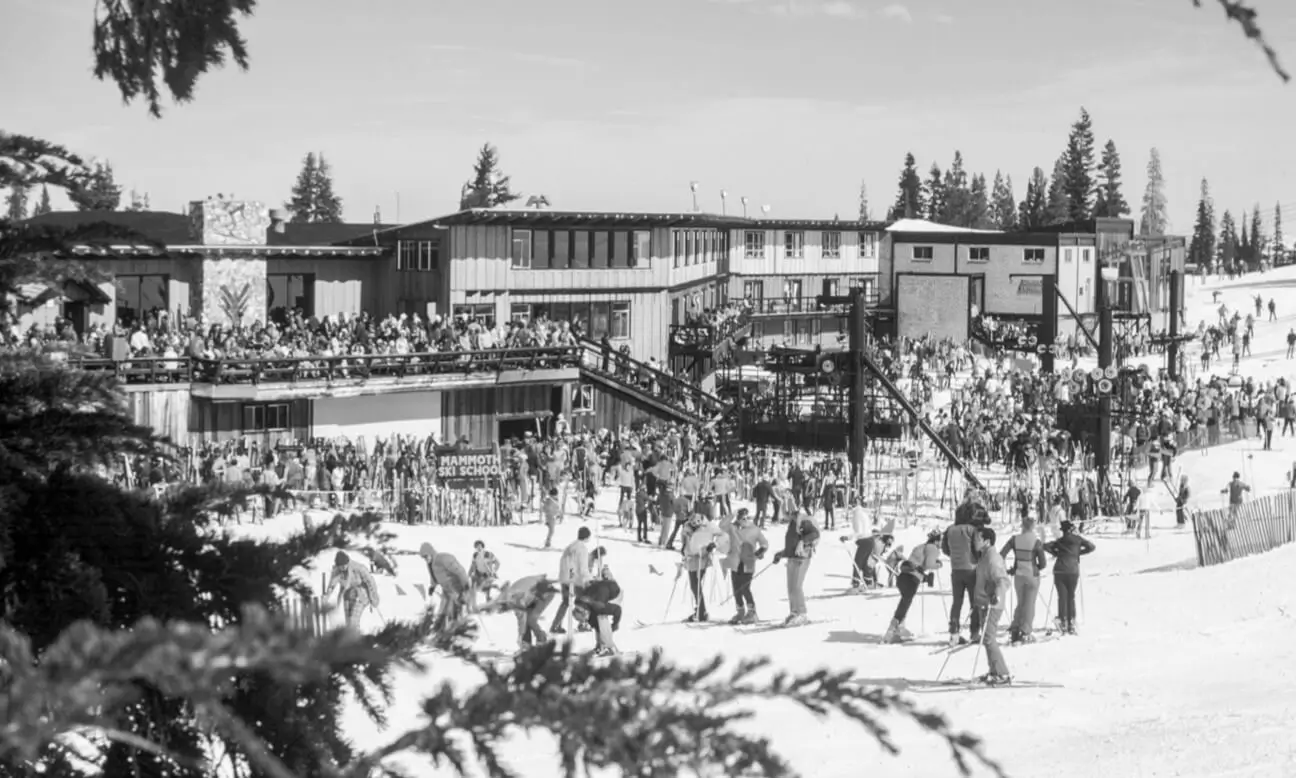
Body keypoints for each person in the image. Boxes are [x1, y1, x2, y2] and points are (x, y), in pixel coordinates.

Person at [883, 529, 943, 644]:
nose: (942, 544)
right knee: (905, 604)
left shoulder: (921, 546)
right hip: (912, 578)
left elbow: (917, 562)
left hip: (902, 576)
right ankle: (892, 632)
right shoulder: (933, 548)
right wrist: (938, 564)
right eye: (941, 541)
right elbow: (929, 564)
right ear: (936, 541)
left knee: (905, 602)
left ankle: (900, 628)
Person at [971, 526, 1012, 686]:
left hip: (993, 604)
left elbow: (1003, 580)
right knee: (987, 638)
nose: (974, 541)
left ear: (987, 541)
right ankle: (994, 671)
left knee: (988, 638)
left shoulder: (992, 558)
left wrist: (996, 594)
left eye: (978, 539)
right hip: (983, 602)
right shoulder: (984, 556)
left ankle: (1002, 673)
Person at [770, 500, 821, 626]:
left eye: (785, 512)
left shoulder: (803, 521)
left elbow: (815, 533)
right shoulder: (793, 523)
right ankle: (794, 612)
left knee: (797, 587)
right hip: (792, 558)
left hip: (802, 558)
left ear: (790, 511)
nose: (784, 515)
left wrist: (802, 541)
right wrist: (781, 554)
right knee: (791, 588)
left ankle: (802, 613)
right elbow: (792, 544)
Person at [1000, 517, 1047, 644]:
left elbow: (1002, 554)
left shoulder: (1015, 539)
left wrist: (1007, 569)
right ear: (1033, 527)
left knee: (1021, 603)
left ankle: (1015, 627)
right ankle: (1025, 631)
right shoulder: (1036, 542)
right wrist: (1035, 567)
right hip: (1032, 576)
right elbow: (1043, 564)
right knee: (1029, 604)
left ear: (1022, 526)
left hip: (1019, 577)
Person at [1043, 520, 1095, 635]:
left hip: (1060, 569)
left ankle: (1063, 619)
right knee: (1071, 596)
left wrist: (1056, 553)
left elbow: (1046, 546)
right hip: (1073, 569)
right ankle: (1071, 620)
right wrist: (1077, 553)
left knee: (1062, 596)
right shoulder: (1078, 540)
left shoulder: (1060, 541)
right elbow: (1091, 547)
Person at [943, 498, 983, 646]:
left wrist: (954, 556)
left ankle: (954, 632)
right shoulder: (972, 530)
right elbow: (977, 548)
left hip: (956, 569)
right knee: (974, 602)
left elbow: (945, 549)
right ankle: (974, 632)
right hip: (971, 569)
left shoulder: (949, 530)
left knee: (957, 602)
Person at [483, 574, 559, 649]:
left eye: (501, 610)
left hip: (546, 592)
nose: (501, 611)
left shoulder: (514, 601)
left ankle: (541, 640)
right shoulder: (505, 596)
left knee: (531, 619)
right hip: (532, 594)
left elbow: (522, 619)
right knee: (527, 619)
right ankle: (527, 644)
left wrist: (520, 636)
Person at [723, 508, 769, 624]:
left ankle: (752, 612)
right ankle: (740, 611)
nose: (744, 520)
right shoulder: (732, 528)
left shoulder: (754, 529)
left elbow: (764, 543)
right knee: (736, 589)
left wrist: (760, 552)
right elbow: (721, 525)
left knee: (745, 587)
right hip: (734, 560)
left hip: (748, 561)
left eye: (746, 518)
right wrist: (731, 514)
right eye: (741, 518)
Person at [550, 526, 591, 634]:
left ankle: (555, 625)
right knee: (583, 599)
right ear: (587, 537)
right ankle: (582, 622)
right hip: (573, 579)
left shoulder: (570, 547)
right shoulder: (582, 549)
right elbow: (582, 568)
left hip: (564, 578)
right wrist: (587, 579)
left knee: (565, 602)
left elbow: (566, 563)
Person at [419, 543, 470, 630]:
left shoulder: (443, 558)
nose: (425, 559)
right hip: (446, 589)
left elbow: (460, 571)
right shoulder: (430, 564)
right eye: (423, 557)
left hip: (456, 587)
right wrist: (432, 586)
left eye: (426, 556)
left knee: (454, 609)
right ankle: (440, 628)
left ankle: (457, 628)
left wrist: (465, 584)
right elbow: (433, 576)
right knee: (442, 610)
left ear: (431, 552)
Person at [680, 515, 721, 622]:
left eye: (696, 523)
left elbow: (720, 536)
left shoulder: (708, 527)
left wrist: (712, 546)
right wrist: (683, 548)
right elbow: (685, 542)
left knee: (695, 585)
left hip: (701, 559)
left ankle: (701, 612)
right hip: (690, 559)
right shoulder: (687, 528)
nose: (694, 525)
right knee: (694, 586)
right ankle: (700, 611)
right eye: (693, 523)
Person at [325, 551, 381, 629]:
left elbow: (370, 582)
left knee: (353, 620)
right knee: (349, 622)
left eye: (344, 565)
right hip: (348, 595)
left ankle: (356, 638)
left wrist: (373, 597)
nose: (343, 567)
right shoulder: (336, 571)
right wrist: (326, 597)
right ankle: (353, 638)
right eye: (341, 566)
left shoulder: (358, 568)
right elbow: (331, 585)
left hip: (361, 594)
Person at [574, 572, 623, 657]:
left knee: (601, 618)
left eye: (584, 620)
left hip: (615, 594)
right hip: (601, 591)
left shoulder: (598, 606)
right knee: (595, 620)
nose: (585, 623)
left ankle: (609, 648)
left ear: (585, 612)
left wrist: (615, 624)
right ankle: (600, 646)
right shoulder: (580, 601)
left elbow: (617, 610)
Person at [469, 539, 501, 605]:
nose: (478, 548)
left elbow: (497, 563)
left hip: (487, 574)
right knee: (474, 586)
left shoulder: (488, 554)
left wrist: (494, 571)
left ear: (482, 546)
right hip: (478, 574)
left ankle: (489, 600)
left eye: (480, 546)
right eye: (477, 547)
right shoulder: (475, 555)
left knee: (487, 587)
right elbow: (473, 565)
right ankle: (472, 602)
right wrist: (469, 573)